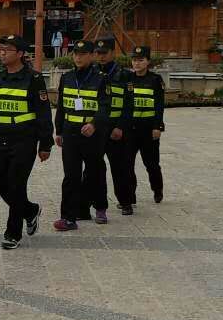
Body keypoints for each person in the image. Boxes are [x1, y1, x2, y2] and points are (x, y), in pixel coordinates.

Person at [0, 34, 53, 249]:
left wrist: (45, 144)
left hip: (25, 140)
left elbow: (43, 113)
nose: (2, 53)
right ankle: (30, 211)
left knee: (16, 185)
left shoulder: (34, 78)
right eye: (1, 49)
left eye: (8, 50)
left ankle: (13, 233)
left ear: (21, 54)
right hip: (1, 138)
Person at [53, 37, 111, 231]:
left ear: (92, 56)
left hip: (92, 134)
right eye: (76, 54)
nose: (78, 58)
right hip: (70, 132)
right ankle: (68, 217)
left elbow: (105, 107)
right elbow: (61, 106)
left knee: (95, 172)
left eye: (83, 54)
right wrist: (59, 130)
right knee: (71, 175)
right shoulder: (67, 77)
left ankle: (100, 207)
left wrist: (94, 124)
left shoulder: (101, 78)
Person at [93, 35, 136, 214]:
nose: (101, 56)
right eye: (98, 53)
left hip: (116, 128)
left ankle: (125, 202)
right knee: (93, 168)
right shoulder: (91, 73)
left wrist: (120, 127)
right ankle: (94, 203)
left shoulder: (125, 75)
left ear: (113, 52)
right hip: (96, 128)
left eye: (104, 53)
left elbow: (129, 104)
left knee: (120, 168)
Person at [127, 44, 165, 204]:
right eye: (134, 60)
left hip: (148, 129)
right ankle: (130, 195)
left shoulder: (155, 80)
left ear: (148, 61)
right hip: (130, 129)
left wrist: (157, 126)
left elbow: (159, 105)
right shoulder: (128, 79)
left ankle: (157, 189)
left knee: (151, 164)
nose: (137, 63)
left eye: (141, 60)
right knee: (127, 165)